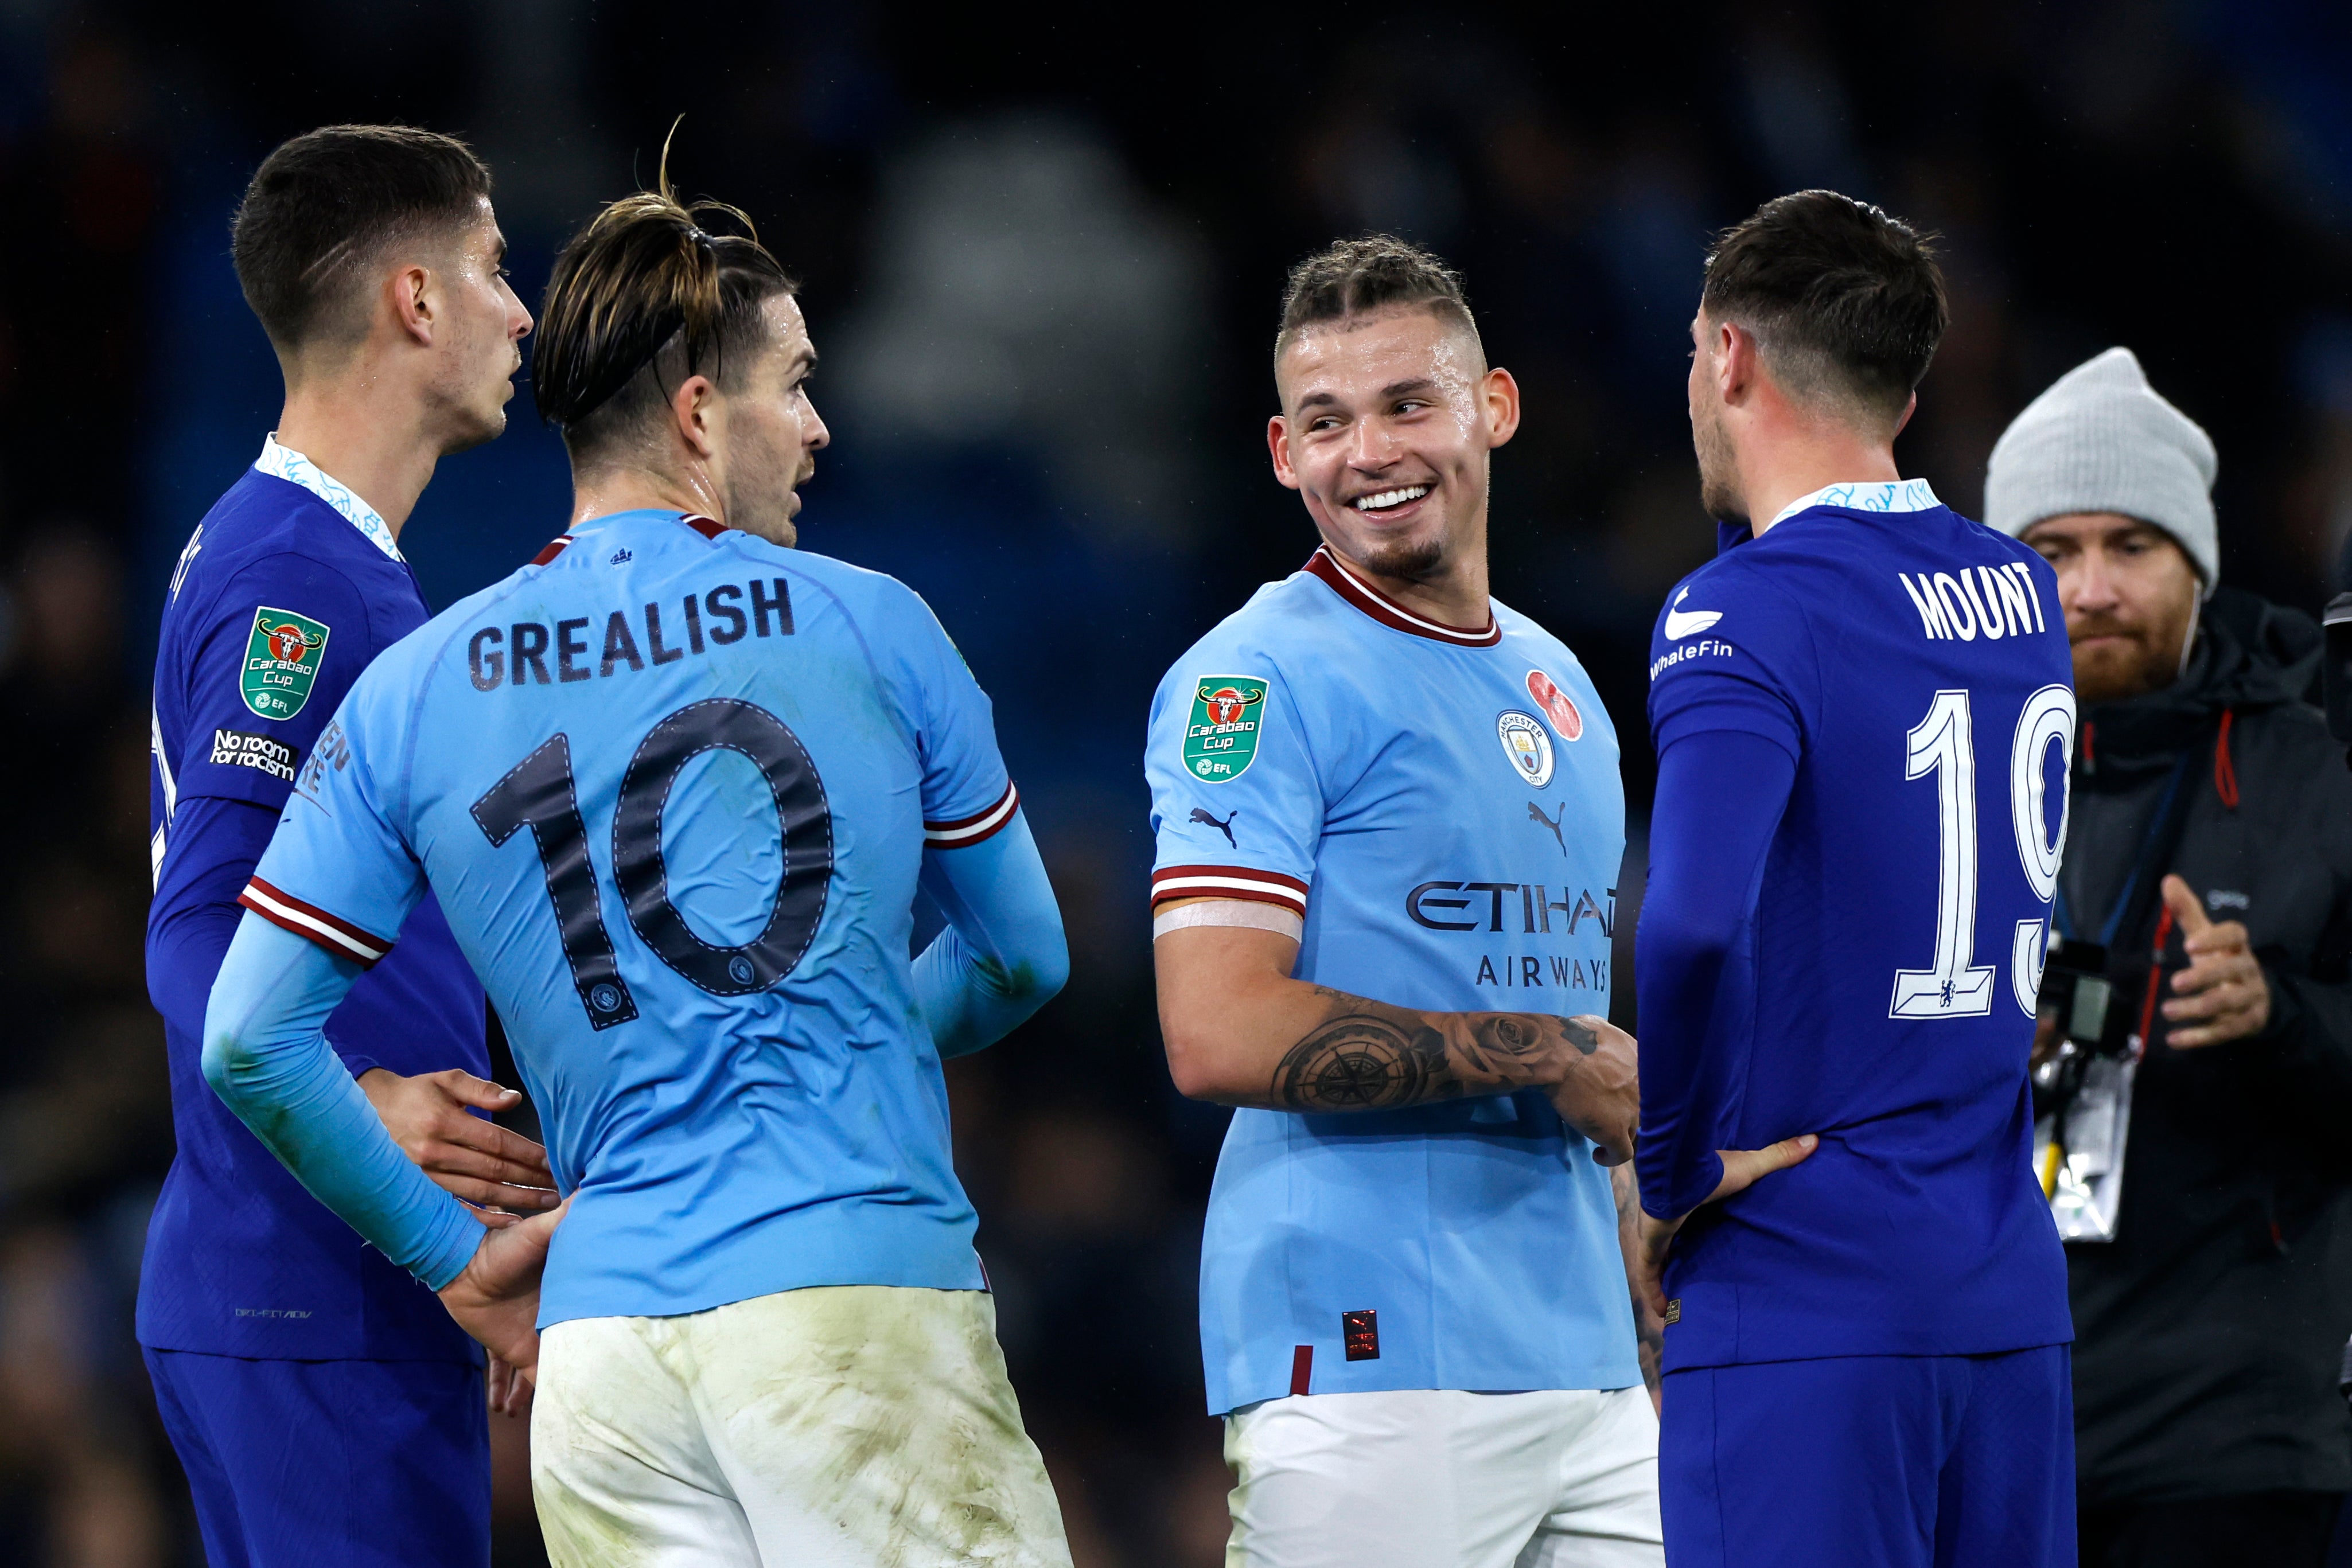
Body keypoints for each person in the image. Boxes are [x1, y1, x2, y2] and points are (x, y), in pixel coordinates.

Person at [198, 170, 1076, 1566]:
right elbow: (1025, 950)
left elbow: (247, 1037)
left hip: (600, 1362)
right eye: (792, 384)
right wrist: (819, 1039)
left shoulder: (417, 690)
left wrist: (453, 1253)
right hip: (850, 1307)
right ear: (694, 414)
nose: (817, 424)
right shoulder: (876, 621)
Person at [1147, 235, 1661, 1568]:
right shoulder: (1249, 683)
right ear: (1279, 451)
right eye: (1326, 421)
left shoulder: (1563, 685)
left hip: (1590, 1362)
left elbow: (1582, 1035)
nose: (1368, 450)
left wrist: (1634, 1246)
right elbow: (1216, 1028)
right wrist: (1547, 1054)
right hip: (1369, 1358)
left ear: (1492, 405)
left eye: (1405, 404)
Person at [1633, 190, 2077, 1567]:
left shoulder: (1742, 608)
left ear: (1726, 358)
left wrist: (1668, 1168)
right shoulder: (2021, 590)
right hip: (2006, 1298)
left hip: (1807, 1298)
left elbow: (1693, 926)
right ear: (1909, 380)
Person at [142, 124, 548, 1567]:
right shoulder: (296, 579)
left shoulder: (306, 553)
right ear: (417, 301)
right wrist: (368, 1097)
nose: (523, 310)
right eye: (498, 270)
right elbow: (198, 933)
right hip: (315, 1290)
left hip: (301, 1292)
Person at [1984, 347, 2352, 1567]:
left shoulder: (2317, 768)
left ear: (2196, 564)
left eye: (2130, 546)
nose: (2088, 587)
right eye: (2050, 551)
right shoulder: (1943, 780)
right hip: (1998, 1414)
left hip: (2232, 1431)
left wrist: (2278, 1012)